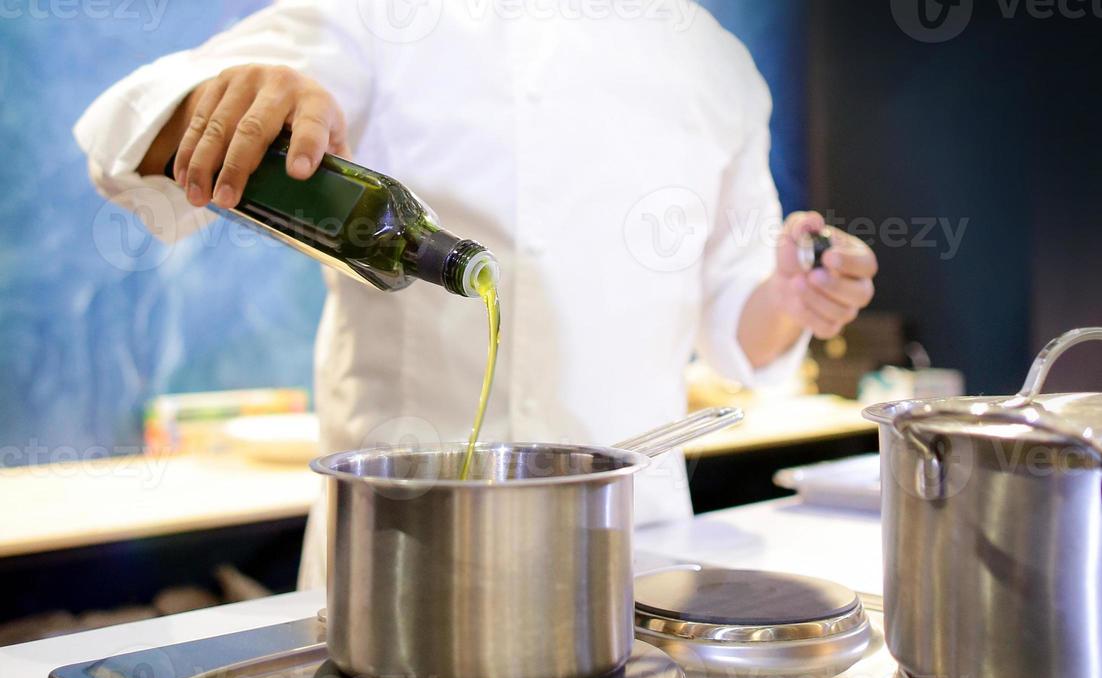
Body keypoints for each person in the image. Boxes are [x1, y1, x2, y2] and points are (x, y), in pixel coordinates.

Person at [75, 0, 878, 588]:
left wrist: (791, 296)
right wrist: (222, 102)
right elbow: (131, 138)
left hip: (636, 562)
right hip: (403, 558)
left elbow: (740, 325)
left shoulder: (718, 62)